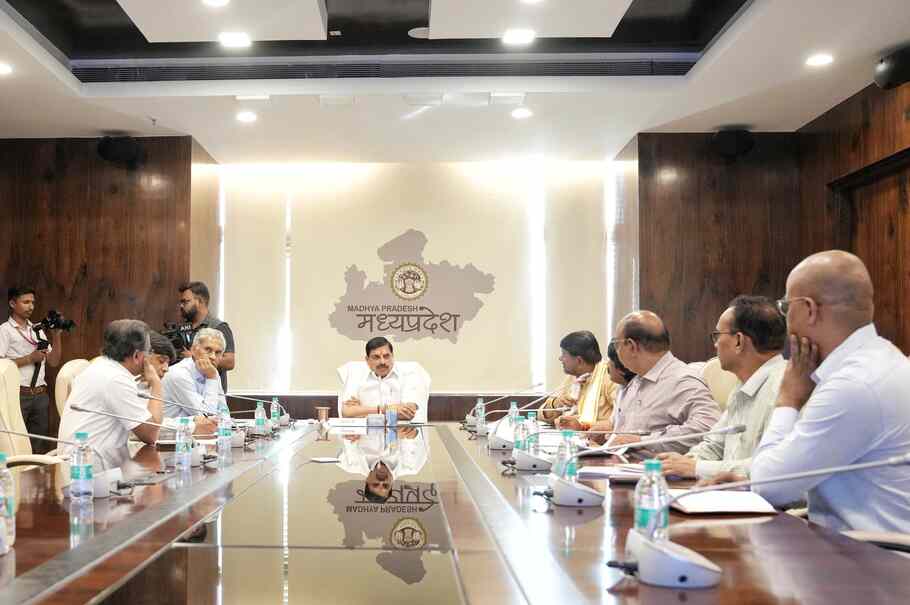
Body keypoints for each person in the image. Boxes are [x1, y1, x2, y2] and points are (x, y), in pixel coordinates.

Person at [748, 251, 910, 532]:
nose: (786, 320)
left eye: (786, 307)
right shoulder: (878, 361)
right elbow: (811, 471)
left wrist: (788, 398)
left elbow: (768, 487)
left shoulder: (854, 384)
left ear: (809, 309)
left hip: (874, 555)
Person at [657, 296, 786, 480]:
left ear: (738, 341)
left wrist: (696, 467)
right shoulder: (742, 385)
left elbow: (771, 467)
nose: (715, 344)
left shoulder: (785, 388)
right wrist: (680, 464)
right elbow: (714, 445)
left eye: (717, 335)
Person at [589, 311, 720, 455]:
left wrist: (643, 441)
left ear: (631, 346)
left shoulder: (682, 381)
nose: (616, 352)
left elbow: (709, 428)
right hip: (621, 462)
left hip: (653, 467)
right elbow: (625, 430)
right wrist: (607, 433)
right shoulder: (636, 380)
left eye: (616, 344)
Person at [58, 320, 163, 471]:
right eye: (149, 352)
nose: (149, 357)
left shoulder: (102, 367)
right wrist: (156, 384)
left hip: (88, 464)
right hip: (89, 472)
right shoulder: (115, 379)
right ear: (136, 355)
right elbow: (151, 434)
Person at [0, 287, 63, 453]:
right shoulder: (4, 330)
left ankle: (37, 471)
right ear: (12, 303)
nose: (31, 306)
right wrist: (29, 359)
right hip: (17, 395)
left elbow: (54, 361)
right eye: (26, 302)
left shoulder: (37, 329)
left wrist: (56, 336)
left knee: (39, 445)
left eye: (33, 302)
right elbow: (1, 366)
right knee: (15, 444)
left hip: (40, 395)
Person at [538, 331, 617, 431]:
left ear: (579, 360)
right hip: (570, 436)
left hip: (598, 440)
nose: (560, 358)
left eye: (564, 354)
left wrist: (582, 426)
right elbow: (540, 415)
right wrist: (556, 403)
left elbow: (621, 421)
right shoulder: (573, 377)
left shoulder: (610, 377)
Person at [340, 337, 429, 424]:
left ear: (392, 356)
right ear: (367, 360)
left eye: (386, 356)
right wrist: (386, 409)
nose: (382, 362)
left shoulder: (410, 373)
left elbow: (407, 413)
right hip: (365, 432)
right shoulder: (356, 374)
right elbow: (347, 412)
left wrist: (362, 411)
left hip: (401, 431)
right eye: (376, 357)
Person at [160, 329, 224, 436]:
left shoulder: (212, 372)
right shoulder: (179, 374)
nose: (213, 357)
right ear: (193, 350)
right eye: (208, 350)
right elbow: (207, 417)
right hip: (170, 439)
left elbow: (224, 413)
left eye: (218, 353)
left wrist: (212, 376)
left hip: (196, 437)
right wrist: (211, 378)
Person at [178, 281, 235, 391]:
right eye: (181, 302)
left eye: (186, 302)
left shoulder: (219, 327)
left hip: (210, 390)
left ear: (200, 301)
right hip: (186, 389)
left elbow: (230, 362)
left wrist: (195, 357)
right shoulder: (183, 328)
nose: (181, 305)